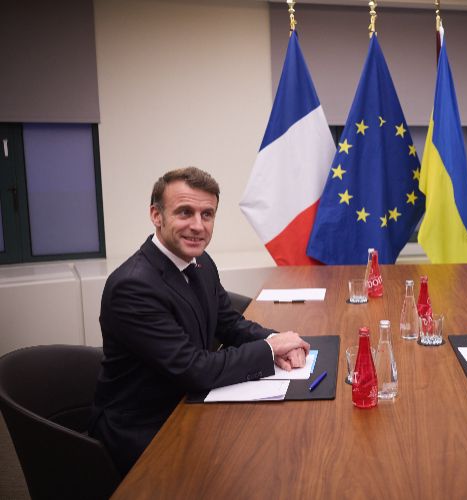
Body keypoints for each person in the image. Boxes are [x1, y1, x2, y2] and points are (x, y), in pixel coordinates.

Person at [89, 167, 310, 474]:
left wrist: (277, 340)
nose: (198, 225)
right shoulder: (133, 286)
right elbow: (194, 369)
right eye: (184, 212)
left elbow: (230, 324)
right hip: (147, 427)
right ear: (156, 215)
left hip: (193, 404)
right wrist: (271, 350)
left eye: (207, 214)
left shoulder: (201, 262)